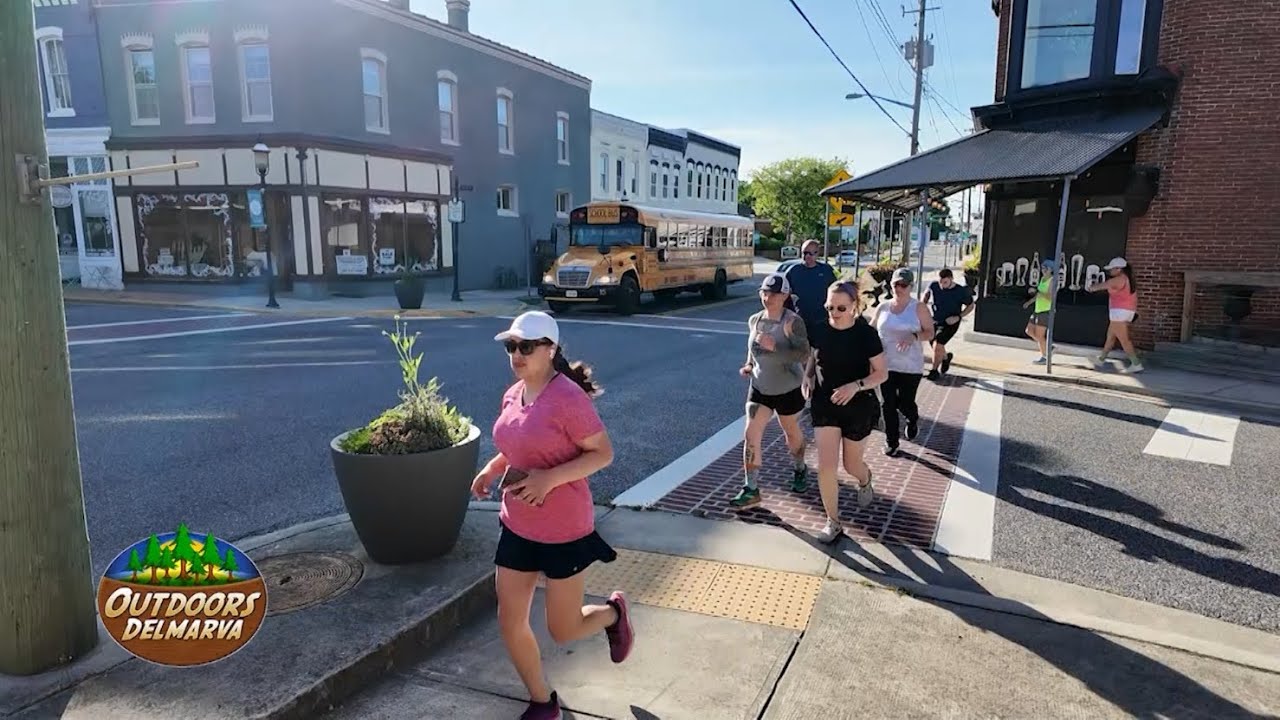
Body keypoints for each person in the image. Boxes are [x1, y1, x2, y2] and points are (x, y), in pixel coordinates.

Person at [471, 311, 634, 720]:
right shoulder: (514, 394)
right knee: (510, 619)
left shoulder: (568, 399)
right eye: (511, 346)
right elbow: (518, 443)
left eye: (526, 346)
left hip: (564, 529)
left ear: (551, 349)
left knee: (563, 630)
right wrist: (492, 469)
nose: (517, 354)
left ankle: (615, 614)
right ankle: (544, 702)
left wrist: (549, 480)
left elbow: (603, 453)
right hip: (518, 523)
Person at [803, 277, 889, 544]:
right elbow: (813, 355)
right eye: (830, 308)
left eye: (841, 308)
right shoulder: (819, 328)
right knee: (826, 466)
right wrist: (807, 377)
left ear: (854, 306)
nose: (834, 314)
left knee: (851, 465)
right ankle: (833, 521)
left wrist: (856, 386)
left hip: (858, 406)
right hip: (825, 403)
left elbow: (882, 374)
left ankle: (865, 479)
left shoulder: (866, 334)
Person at [731, 273, 811, 509]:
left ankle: (799, 468)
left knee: (791, 433)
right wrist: (748, 365)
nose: (768, 298)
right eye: (764, 292)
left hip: (788, 388)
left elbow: (803, 354)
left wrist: (775, 348)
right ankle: (751, 487)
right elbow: (752, 348)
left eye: (774, 294)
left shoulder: (792, 321)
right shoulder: (755, 320)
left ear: (785, 295)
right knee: (751, 433)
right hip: (760, 387)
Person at [873, 268, 935, 457]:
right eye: (895, 284)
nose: (898, 288)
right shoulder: (883, 307)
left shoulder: (918, 308)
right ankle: (892, 442)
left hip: (910, 366)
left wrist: (914, 336)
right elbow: (871, 330)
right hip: (885, 365)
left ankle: (912, 418)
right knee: (887, 404)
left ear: (911, 287)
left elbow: (930, 332)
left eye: (903, 285)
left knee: (905, 402)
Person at [1088, 257, 1144, 373]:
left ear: (1118, 269)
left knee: (1124, 340)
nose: (1110, 271)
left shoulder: (1119, 279)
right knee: (1111, 337)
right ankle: (1101, 359)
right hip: (1124, 312)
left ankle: (1136, 363)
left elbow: (1103, 285)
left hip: (1119, 312)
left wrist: (1091, 287)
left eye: (1112, 269)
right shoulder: (1128, 279)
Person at [922, 268, 975, 380]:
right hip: (935, 320)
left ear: (951, 279)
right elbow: (925, 298)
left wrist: (959, 316)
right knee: (934, 345)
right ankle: (945, 358)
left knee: (938, 344)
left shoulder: (961, 291)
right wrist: (923, 310)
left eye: (945, 282)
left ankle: (934, 371)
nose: (942, 285)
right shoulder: (934, 286)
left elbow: (971, 306)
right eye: (940, 281)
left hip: (950, 322)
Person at [784, 239, 838, 346]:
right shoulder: (794, 271)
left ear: (817, 254)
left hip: (822, 319)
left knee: (819, 351)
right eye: (804, 253)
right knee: (801, 351)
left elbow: (836, 291)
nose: (807, 256)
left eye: (811, 253)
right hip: (799, 320)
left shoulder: (826, 271)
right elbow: (784, 293)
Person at [1023, 258, 1057, 364]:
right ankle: (1048, 347)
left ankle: (1044, 357)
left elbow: (1050, 297)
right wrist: (1029, 302)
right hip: (1038, 309)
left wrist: (1039, 292)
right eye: (1042, 268)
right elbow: (1038, 294)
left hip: (1046, 311)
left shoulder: (1053, 281)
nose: (1043, 270)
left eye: (1045, 268)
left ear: (1051, 269)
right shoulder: (1043, 279)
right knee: (1029, 331)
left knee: (1039, 335)